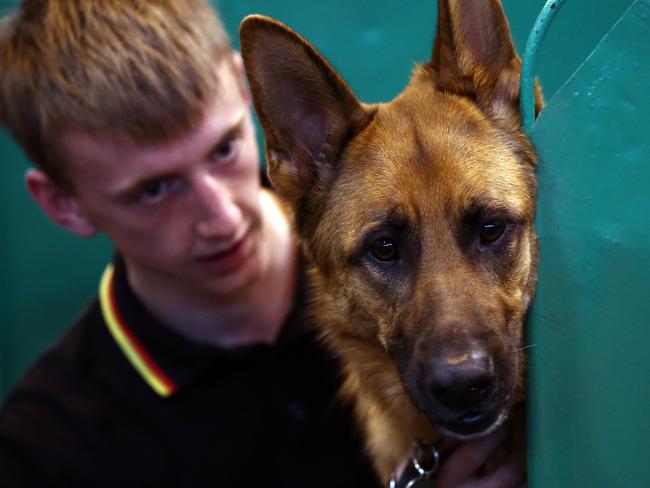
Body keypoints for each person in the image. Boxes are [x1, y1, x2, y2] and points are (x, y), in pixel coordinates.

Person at [0, 1, 524, 486]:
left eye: (224, 147)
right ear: (63, 204)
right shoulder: (47, 448)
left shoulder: (373, 219)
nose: (224, 216)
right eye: (154, 189)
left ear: (244, 87)